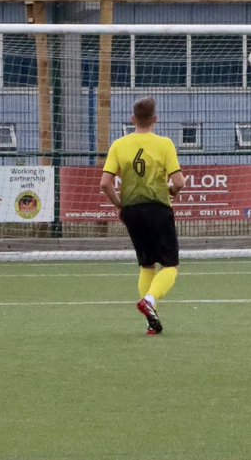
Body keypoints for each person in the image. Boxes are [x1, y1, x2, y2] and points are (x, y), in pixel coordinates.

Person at [99, 97, 186, 336]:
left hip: (133, 211)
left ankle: (150, 320)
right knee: (170, 265)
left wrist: (120, 206)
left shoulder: (119, 144)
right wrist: (171, 191)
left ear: (132, 119)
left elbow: (105, 183)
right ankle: (149, 299)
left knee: (146, 264)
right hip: (158, 209)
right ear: (155, 119)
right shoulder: (164, 144)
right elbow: (179, 182)